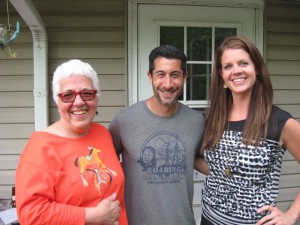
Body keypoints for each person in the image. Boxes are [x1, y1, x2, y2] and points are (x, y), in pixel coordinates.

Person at [198, 36, 300, 225]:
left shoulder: (279, 122)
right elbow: (219, 169)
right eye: (228, 66)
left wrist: (291, 215)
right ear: (222, 75)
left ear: (257, 69)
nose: (236, 71)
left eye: (243, 63)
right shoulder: (215, 118)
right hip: (209, 218)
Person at [15, 59, 128, 225]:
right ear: (57, 101)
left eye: (87, 93)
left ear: (96, 98)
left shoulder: (103, 134)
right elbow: (31, 213)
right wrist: (91, 216)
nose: (79, 102)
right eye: (68, 95)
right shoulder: (41, 147)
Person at [108, 45, 205, 225]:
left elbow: (208, 163)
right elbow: (104, 170)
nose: (168, 84)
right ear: (150, 77)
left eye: (175, 75)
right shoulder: (124, 121)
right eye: (161, 74)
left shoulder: (197, 121)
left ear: (185, 77)